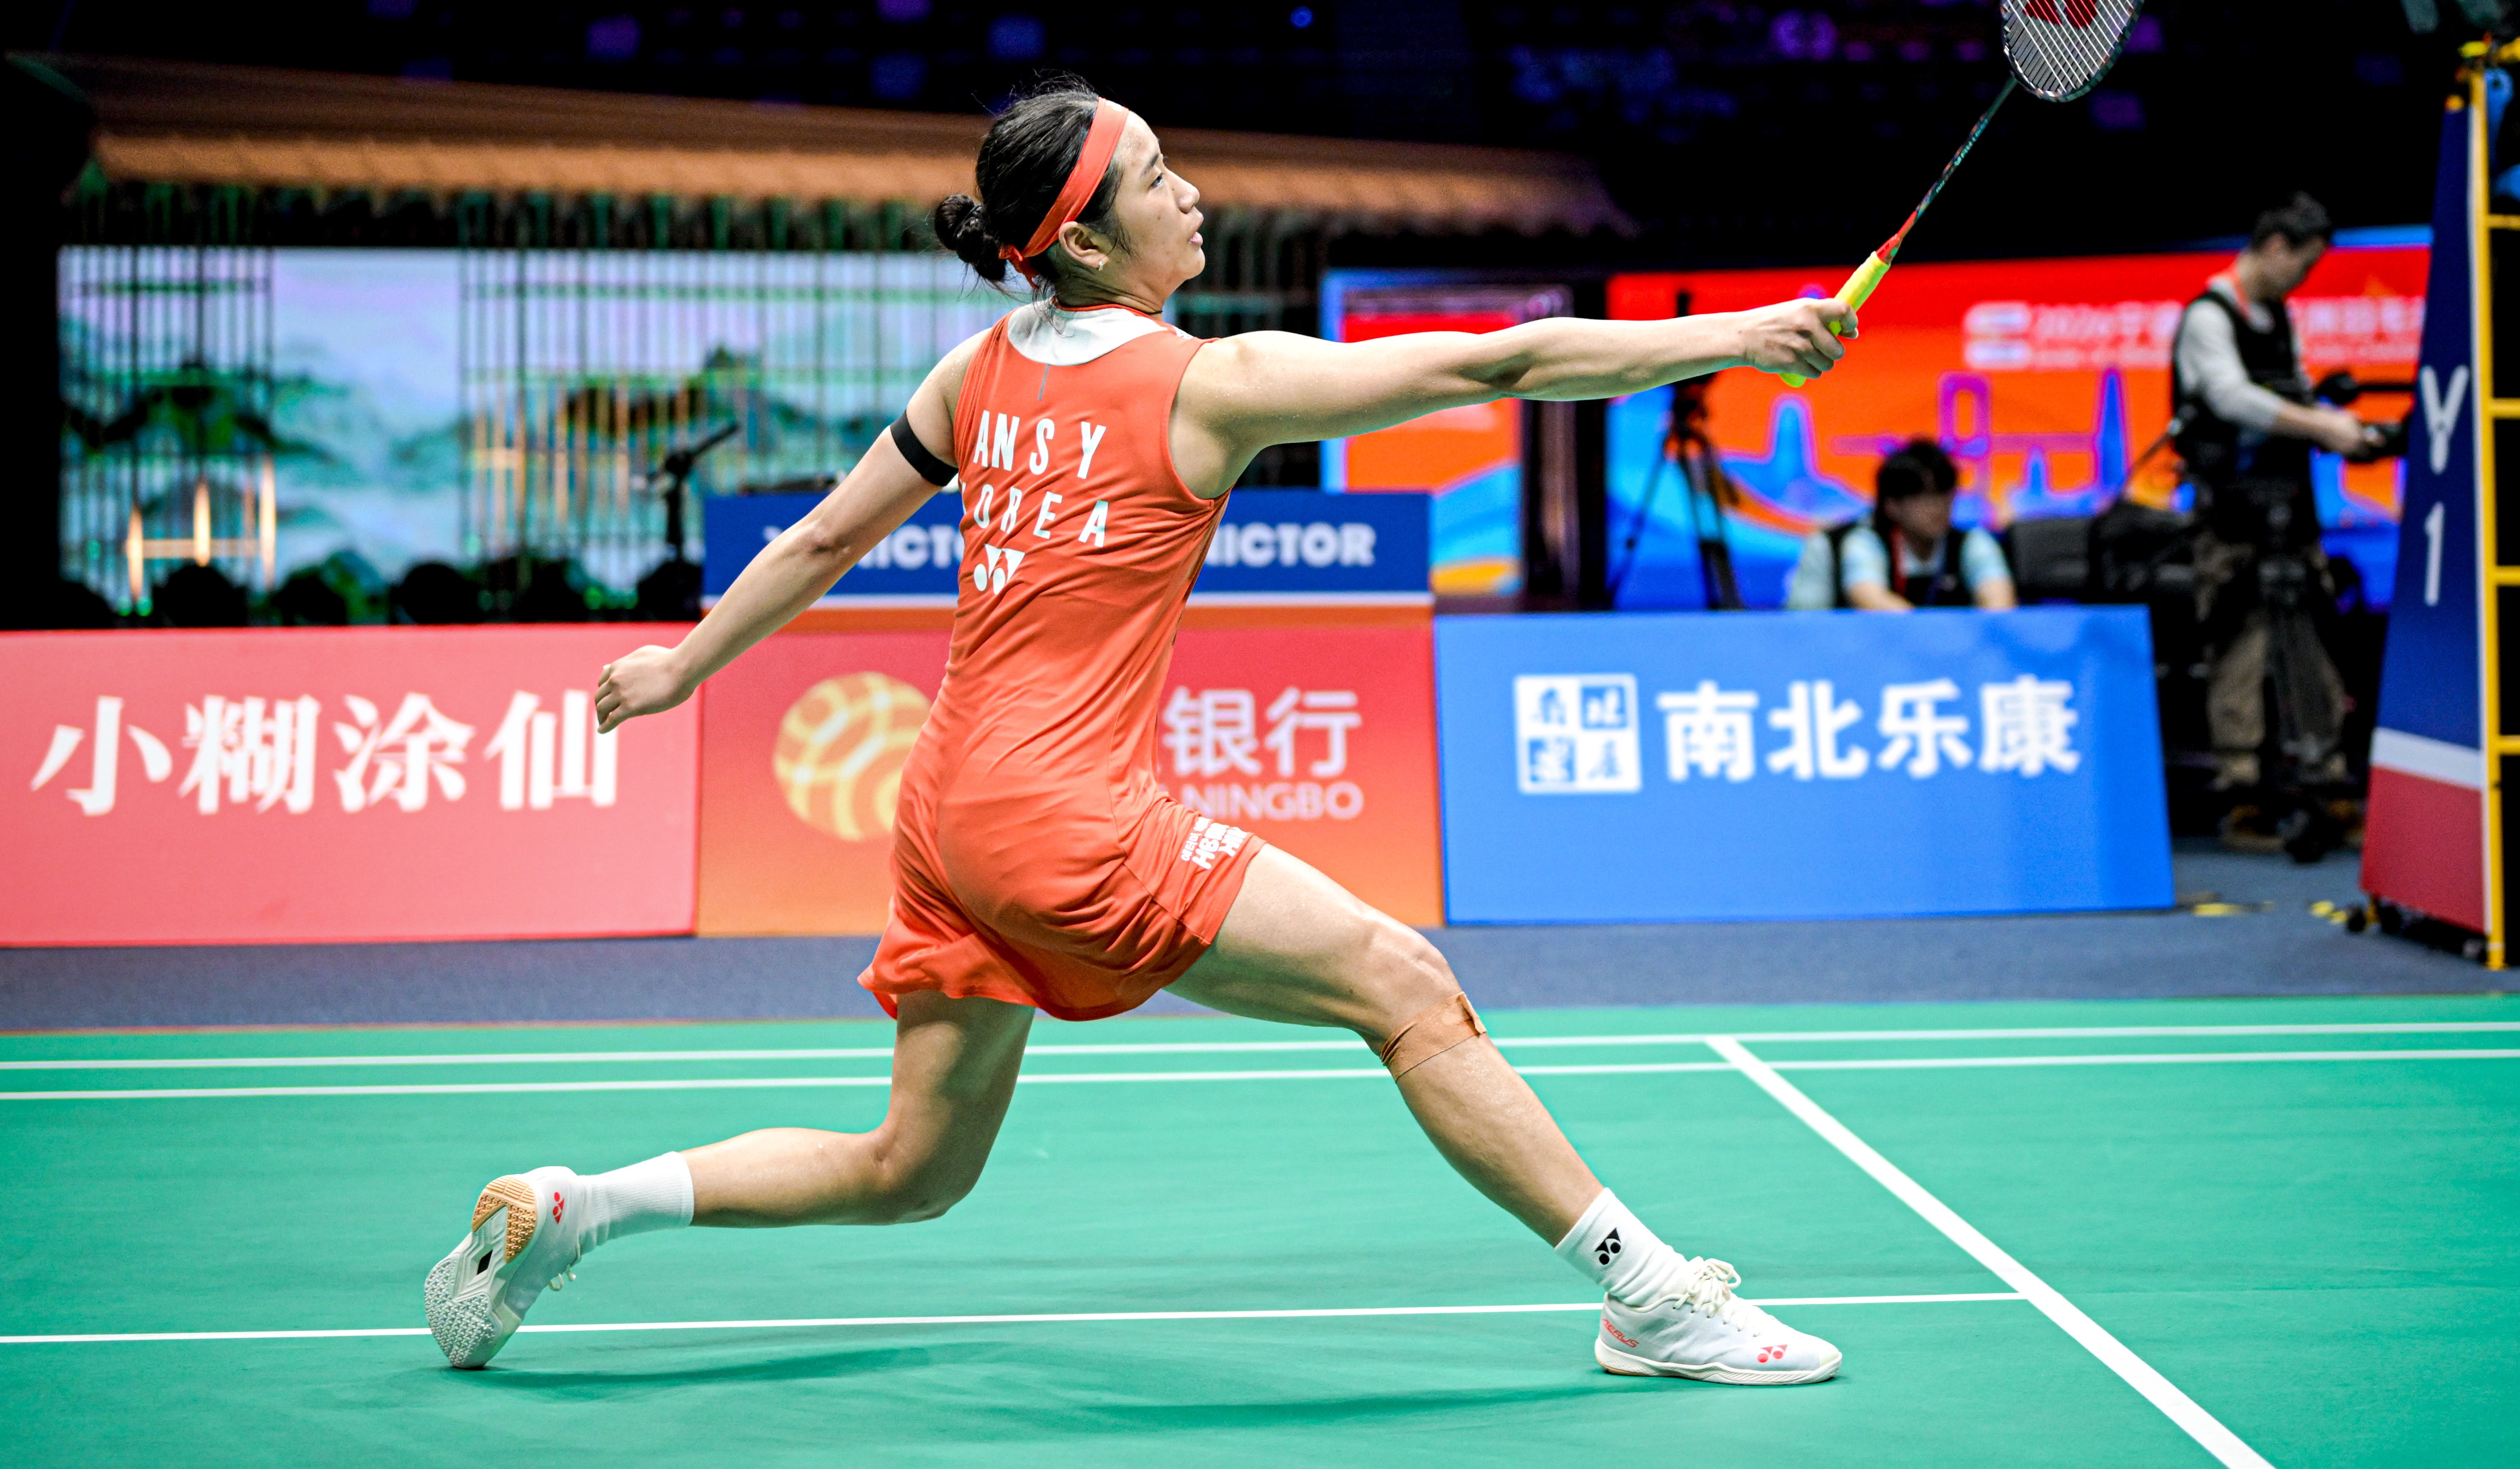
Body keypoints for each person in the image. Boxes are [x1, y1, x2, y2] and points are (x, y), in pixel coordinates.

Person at [422, 77, 1856, 1387]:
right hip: (1062, 819)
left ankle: (574, 1208)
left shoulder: (976, 372)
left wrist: (684, 663)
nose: (1192, 195)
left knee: (912, 1166)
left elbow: (815, 540)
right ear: (1093, 246)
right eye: (1158, 177)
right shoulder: (1205, 384)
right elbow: (1499, 365)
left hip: (941, 811)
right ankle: (1649, 1297)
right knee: (1408, 985)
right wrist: (1744, 334)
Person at [2169, 192, 2379, 846]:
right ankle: (2243, 802)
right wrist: (2320, 423)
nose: (2304, 279)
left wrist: (2341, 428)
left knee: (2314, 653)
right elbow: (2230, 397)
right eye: (2305, 265)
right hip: (2229, 522)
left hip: (2290, 513)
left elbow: (2291, 389)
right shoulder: (2207, 315)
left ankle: (2329, 789)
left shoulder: (2279, 317)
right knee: (2239, 652)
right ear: (2277, 247)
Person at [1785, 439, 2015, 611]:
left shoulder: (1972, 542)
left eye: (1944, 494)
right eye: (1923, 497)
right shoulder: (1854, 543)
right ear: (1892, 505)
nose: (1938, 508)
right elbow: (1867, 596)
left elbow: (2000, 605)